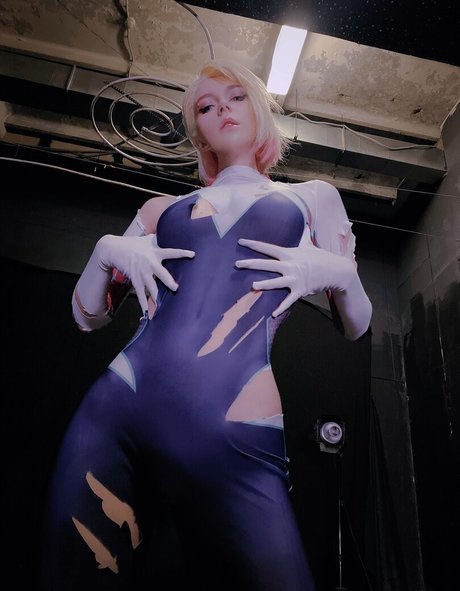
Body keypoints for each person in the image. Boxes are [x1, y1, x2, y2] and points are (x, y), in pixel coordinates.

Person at [40, 59, 372, 591]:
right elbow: (86, 317)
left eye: (236, 97)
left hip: (235, 420)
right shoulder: (160, 211)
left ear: (258, 107)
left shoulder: (313, 198)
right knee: (70, 576)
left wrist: (339, 273)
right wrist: (105, 252)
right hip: (119, 408)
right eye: (206, 106)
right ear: (198, 129)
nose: (224, 110)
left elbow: (355, 326)